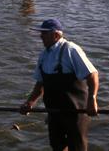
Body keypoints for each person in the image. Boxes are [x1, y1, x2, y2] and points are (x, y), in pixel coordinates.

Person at [20, 19, 99, 151]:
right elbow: (40, 84)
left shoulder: (71, 50)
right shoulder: (43, 56)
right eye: (41, 33)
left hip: (76, 112)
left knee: (78, 147)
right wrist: (29, 103)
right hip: (54, 112)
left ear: (56, 35)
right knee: (57, 146)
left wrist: (92, 100)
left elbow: (92, 75)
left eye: (44, 33)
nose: (40, 36)